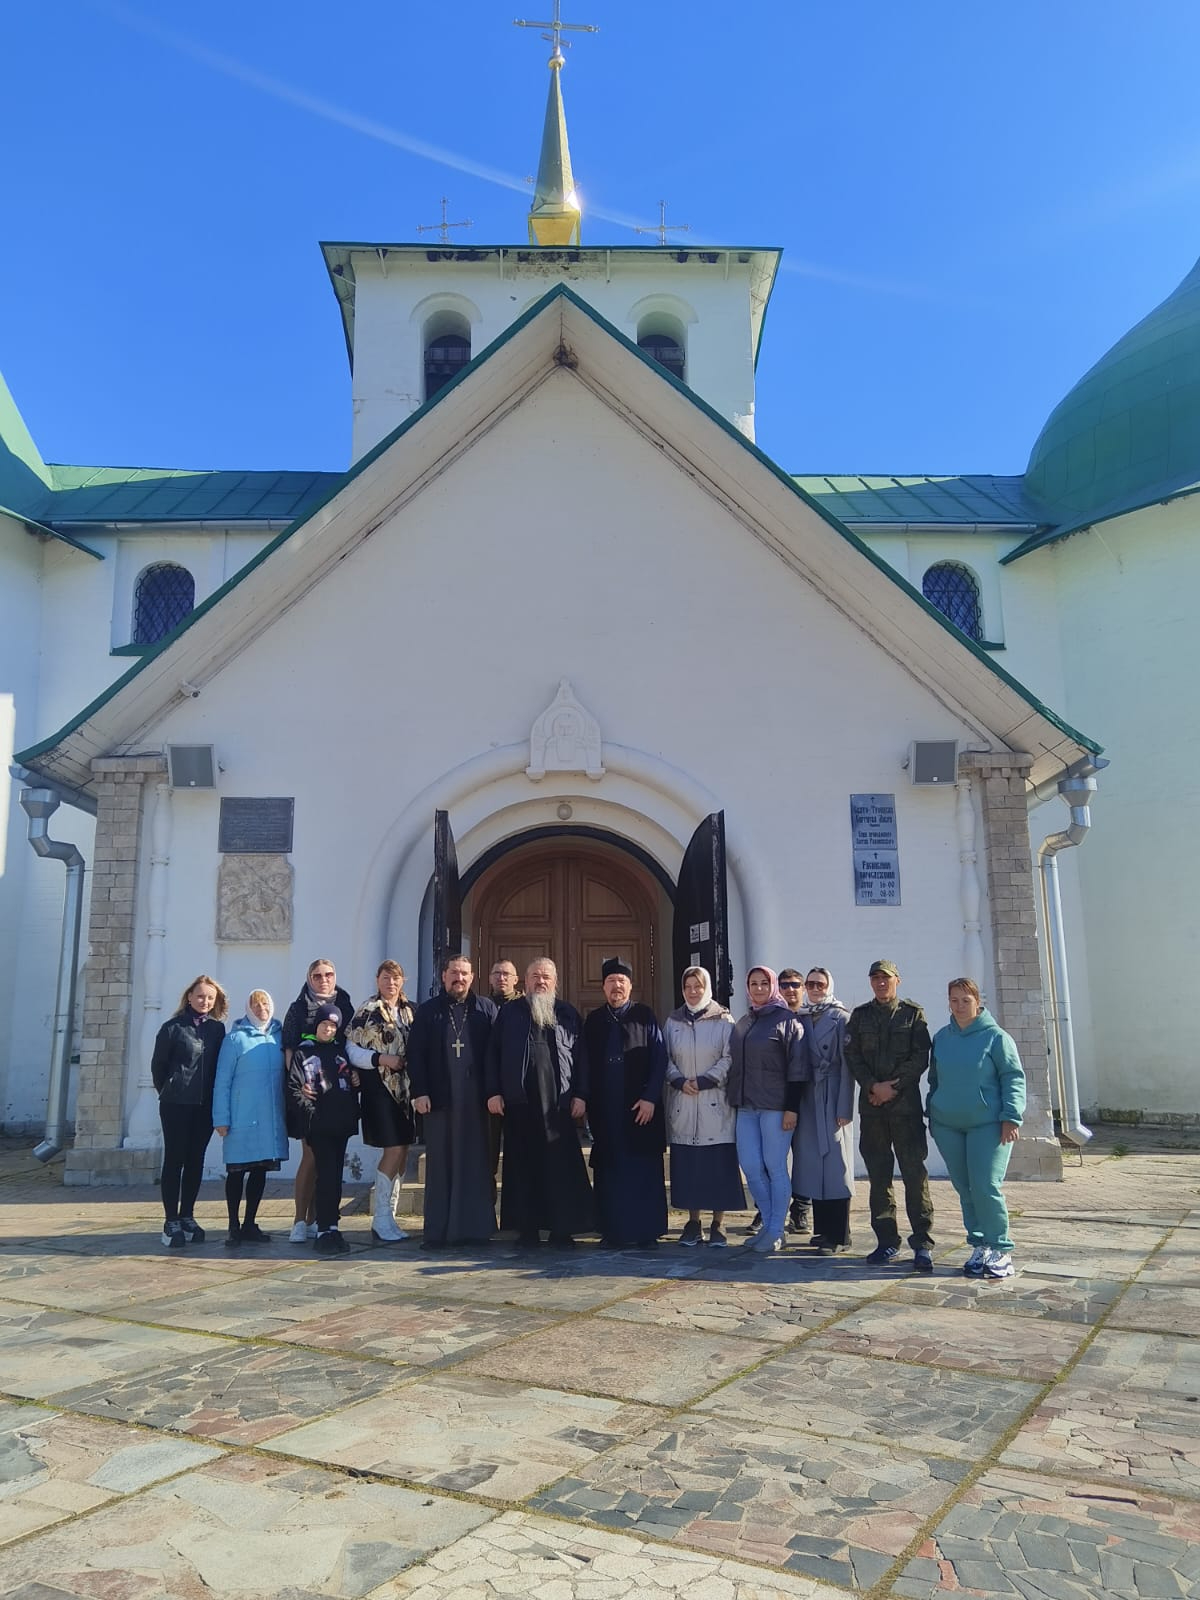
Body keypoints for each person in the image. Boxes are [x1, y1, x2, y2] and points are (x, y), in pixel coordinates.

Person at [486, 957, 593, 1247]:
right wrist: (493, 1091)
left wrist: (581, 1094)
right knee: (522, 1168)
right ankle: (527, 1229)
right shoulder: (509, 1013)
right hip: (519, 1103)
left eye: (546, 977)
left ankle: (562, 1229)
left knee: (559, 1168)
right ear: (526, 980)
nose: (540, 981)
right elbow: (492, 1054)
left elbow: (582, 1058)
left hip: (558, 1105)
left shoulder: (568, 1014)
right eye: (535, 976)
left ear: (555, 982)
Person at [928, 977, 1025, 1280]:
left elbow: (1013, 1077)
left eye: (966, 1000)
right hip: (948, 1125)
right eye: (954, 1000)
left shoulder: (996, 1038)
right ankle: (980, 1244)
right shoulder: (942, 1038)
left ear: (978, 1002)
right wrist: (933, 1113)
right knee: (965, 1188)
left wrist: (1011, 1116)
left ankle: (1000, 1249)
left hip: (988, 1125)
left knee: (985, 1186)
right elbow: (934, 1079)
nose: (959, 1006)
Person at [845, 959, 935, 1272]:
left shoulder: (912, 1014)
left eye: (886, 978)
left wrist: (892, 1087)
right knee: (879, 1177)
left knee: (914, 1176)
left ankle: (922, 1244)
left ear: (898, 980)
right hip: (872, 1109)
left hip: (905, 1109)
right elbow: (852, 1056)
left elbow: (920, 1056)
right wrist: (873, 1086)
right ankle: (886, 1242)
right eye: (875, 978)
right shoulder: (860, 1016)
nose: (881, 983)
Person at [407, 954, 498, 1248]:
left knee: (475, 1163)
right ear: (444, 976)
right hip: (440, 1098)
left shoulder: (486, 1008)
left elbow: (496, 1053)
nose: (459, 978)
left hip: (476, 1100)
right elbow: (415, 1054)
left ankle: (476, 1230)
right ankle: (437, 1232)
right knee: (440, 1165)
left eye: (464, 974)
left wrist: (494, 1091)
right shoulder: (428, 1011)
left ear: (472, 977)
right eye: (454, 973)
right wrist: (419, 1091)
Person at [581, 957, 668, 1248]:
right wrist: (585, 1099)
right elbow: (584, 1063)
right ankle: (612, 1231)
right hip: (605, 1109)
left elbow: (659, 1058)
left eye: (621, 981)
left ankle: (646, 1232)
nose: (616, 986)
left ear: (630, 986)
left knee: (643, 1170)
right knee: (610, 1171)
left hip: (640, 1108)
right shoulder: (594, 1020)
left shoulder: (645, 1015)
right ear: (603, 987)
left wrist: (650, 1098)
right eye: (611, 981)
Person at [727, 967, 808, 1254]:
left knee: (775, 1167)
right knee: (750, 1167)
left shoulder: (788, 1021)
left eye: (764, 983)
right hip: (746, 1106)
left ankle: (775, 1229)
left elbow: (798, 1069)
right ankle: (771, 1224)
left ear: (772, 986)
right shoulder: (746, 1020)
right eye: (754, 983)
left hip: (775, 1107)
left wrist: (791, 1109)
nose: (759, 988)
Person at [663, 966, 743, 1248]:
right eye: (688, 987)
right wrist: (677, 1079)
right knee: (689, 1168)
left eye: (698, 986)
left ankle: (718, 1223)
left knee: (717, 1167)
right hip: (683, 1102)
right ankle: (693, 1222)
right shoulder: (673, 1021)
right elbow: (664, 1056)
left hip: (714, 1103)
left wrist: (707, 1080)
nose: (693, 991)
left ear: (707, 987)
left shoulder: (723, 1020)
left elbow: (730, 1057)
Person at [151, 974, 228, 1248]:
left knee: (196, 1160)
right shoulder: (172, 1028)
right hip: (176, 1104)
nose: (205, 1001)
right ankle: (170, 1219)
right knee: (175, 1159)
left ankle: (187, 1215)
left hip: (204, 1106)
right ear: (189, 997)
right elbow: (158, 1067)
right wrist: (170, 1089)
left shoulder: (217, 1030)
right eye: (200, 996)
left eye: (210, 997)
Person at [282, 959, 354, 1244]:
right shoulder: (298, 1007)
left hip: (336, 1093)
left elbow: (350, 1045)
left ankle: (320, 1219)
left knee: (330, 1166)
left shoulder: (344, 1003)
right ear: (309, 978)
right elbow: (290, 1049)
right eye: (317, 975)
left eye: (329, 974)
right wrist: (300, 1084)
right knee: (311, 1157)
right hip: (309, 1094)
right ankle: (301, 1219)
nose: (324, 979)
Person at [346, 960, 416, 1245]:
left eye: (396, 978)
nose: (391, 983)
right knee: (393, 1148)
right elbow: (351, 1049)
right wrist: (381, 1059)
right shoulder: (368, 1010)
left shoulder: (410, 1011)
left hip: (406, 1091)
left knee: (403, 1151)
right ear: (377, 980)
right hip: (380, 1088)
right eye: (386, 978)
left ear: (403, 981)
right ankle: (380, 1218)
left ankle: (391, 1216)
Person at [212, 989, 287, 1246]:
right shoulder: (235, 1039)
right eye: (256, 1005)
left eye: (265, 1004)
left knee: (259, 1172)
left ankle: (249, 1223)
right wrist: (221, 1118)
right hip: (241, 1116)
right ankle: (233, 1225)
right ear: (248, 1009)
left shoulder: (279, 1036)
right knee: (236, 1172)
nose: (261, 1010)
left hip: (269, 1117)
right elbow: (222, 1081)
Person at [792, 968, 855, 1253]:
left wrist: (844, 1107)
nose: (815, 988)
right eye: (810, 984)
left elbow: (847, 1066)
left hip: (832, 1094)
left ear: (829, 986)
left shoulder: (841, 1017)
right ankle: (822, 1230)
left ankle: (839, 1235)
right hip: (808, 1095)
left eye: (820, 984)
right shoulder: (802, 1017)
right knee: (814, 1164)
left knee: (836, 1166)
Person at [778, 968, 814, 1238]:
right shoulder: (771, 1018)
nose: (790, 989)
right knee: (773, 1158)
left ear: (803, 989)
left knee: (803, 1157)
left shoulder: (813, 1018)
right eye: (784, 985)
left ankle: (801, 1210)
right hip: (774, 1097)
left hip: (808, 1097)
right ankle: (767, 1210)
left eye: (795, 985)